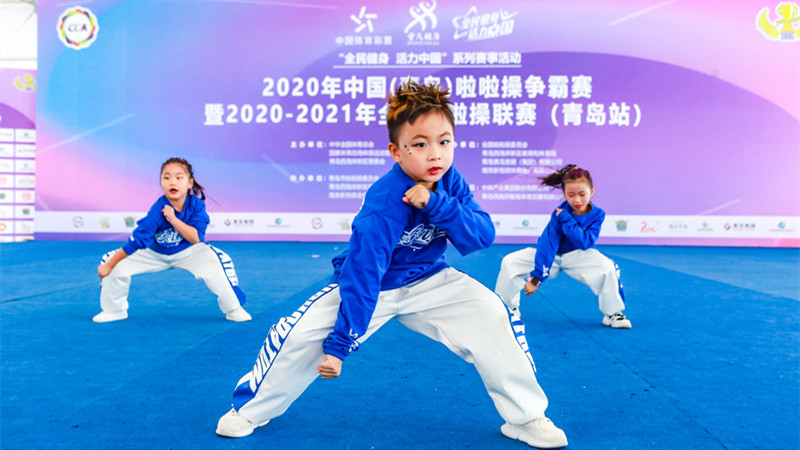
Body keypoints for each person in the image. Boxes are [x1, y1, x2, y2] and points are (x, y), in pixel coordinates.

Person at [216, 81, 568, 448]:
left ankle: (526, 418)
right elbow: (363, 272)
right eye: (420, 144)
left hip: (429, 278)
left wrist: (435, 203)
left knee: (493, 315)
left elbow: (481, 235)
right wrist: (340, 345)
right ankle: (249, 410)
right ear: (396, 152)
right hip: (376, 284)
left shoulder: (451, 181)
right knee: (298, 336)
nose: (435, 155)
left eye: (444, 141)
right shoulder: (384, 200)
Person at [92, 157, 251, 323]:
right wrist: (110, 265)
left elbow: (196, 238)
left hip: (189, 252)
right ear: (161, 182)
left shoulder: (196, 205)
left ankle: (234, 309)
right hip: (154, 253)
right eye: (166, 178)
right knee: (112, 262)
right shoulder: (157, 210)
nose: (172, 182)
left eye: (179, 177)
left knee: (218, 262)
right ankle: (114, 311)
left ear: (190, 183)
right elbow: (136, 242)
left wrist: (173, 219)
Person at [494, 164, 631, 329]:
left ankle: (614, 313)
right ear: (564, 194)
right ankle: (508, 310)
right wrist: (537, 277)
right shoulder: (558, 213)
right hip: (551, 256)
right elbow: (548, 244)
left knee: (608, 268)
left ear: (592, 191)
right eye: (571, 195)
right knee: (510, 263)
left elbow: (585, 243)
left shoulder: (596, 214)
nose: (577, 200)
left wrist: (567, 219)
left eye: (582, 194)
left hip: (578, 255)